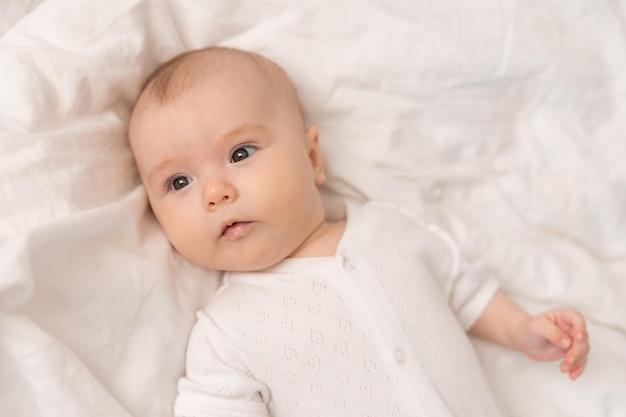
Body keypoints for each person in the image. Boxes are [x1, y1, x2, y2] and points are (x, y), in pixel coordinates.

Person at [128, 46, 590, 417]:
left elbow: (462, 287)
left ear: (312, 160)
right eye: (179, 182)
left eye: (241, 153)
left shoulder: (389, 231)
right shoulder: (225, 335)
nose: (215, 191)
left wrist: (520, 329)